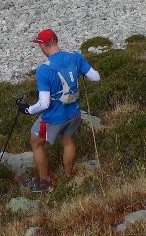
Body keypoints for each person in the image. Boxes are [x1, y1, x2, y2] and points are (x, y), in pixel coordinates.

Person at [19, 27, 100, 191]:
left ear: (43, 45)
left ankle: (45, 182)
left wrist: (27, 110)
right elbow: (95, 77)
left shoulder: (44, 70)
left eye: (39, 45)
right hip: (74, 113)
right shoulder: (75, 57)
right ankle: (68, 177)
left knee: (35, 143)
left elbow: (44, 104)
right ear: (56, 41)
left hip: (54, 118)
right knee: (68, 142)